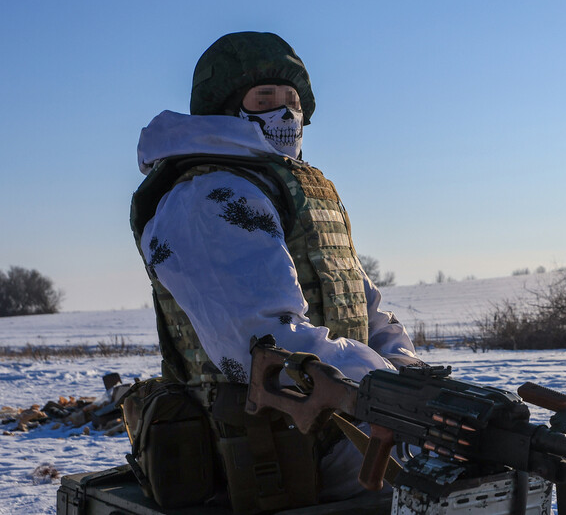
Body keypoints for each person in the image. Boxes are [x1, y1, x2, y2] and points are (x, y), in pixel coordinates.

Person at [131, 31, 421, 508]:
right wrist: (388, 392)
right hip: (271, 440)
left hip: (343, 418)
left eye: (293, 102)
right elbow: (264, 342)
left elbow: (362, 308)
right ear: (227, 109)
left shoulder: (299, 189)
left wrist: (412, 375)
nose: (285, 114)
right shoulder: (210, 196)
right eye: (264, 99)